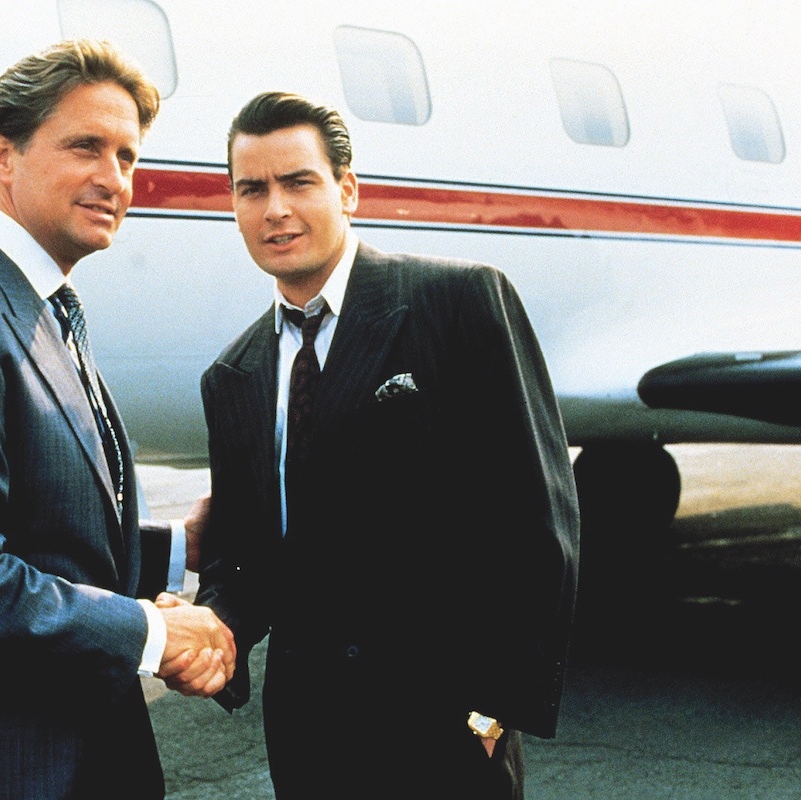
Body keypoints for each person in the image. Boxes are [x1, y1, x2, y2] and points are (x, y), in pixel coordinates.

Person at [0, 40, 234, 800]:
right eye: (85, 146)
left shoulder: (38, 305)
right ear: (3, 154)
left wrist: (173, 552)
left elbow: (42, 527)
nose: (114, 179)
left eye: (127, 156)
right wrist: (158, 634)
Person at [188, 91, 580, 797]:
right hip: (309, 742)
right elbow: (245, 557)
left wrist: (494, 712)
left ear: (348, 189)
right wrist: (212, 625)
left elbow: (538, 520)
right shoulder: (233, 374)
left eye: (298, 182)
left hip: (446, 738)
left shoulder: (458, 304)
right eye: (252, 189)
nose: (275, 208)